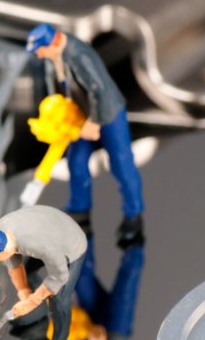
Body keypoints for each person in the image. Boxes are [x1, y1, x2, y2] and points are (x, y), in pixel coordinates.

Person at [27, 23, 145, 246]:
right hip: (80, 114)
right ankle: (80, 210)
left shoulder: (80, 55)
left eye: (40, 50)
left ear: (52, 44)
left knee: (121, 164)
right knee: (77, 161)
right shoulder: (54, 57)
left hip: (107, 114)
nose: (39, 55)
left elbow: (100, 90)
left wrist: (94, 122)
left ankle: (134, 216)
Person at [0, 205, 88, 340]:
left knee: (58, 299)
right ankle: (37, 314)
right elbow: (13, 263)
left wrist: (32, 302)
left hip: (71, 246)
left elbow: (59, 276)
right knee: (27, 274)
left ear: (5, 249)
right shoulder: (1, 230)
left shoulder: (38, 245)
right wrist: (23, 291)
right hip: (50, 231)